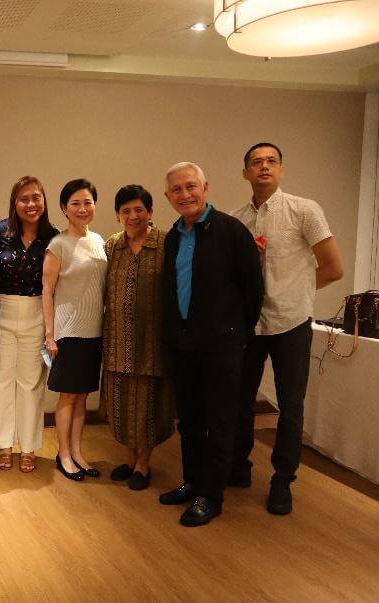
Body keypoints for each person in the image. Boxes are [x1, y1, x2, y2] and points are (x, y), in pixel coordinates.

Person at [230, 142, 343, 515]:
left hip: (291, 323)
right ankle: (239, 466)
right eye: (256, 162)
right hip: (249, 325)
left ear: (281, 169)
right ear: (245, 172)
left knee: (290, 406)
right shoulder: (236, 220)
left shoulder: (304, 210)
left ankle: (282, 481)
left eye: (272, 161)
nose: (264, 166)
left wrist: (296, 292)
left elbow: (332, 267)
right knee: (241, 401)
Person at [159, 162, 264, 527]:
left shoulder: (232, 232)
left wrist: (234, 331)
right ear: (168, 196)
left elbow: (253, 291)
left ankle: (212, 495)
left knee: (220, 421)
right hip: (183, 345)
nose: (185, 194)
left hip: (222, 346)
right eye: (177, 189)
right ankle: (193, 482)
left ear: (205, 187)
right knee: (189, 420)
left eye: (191, 186)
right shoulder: (172, 236)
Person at [101, 184, 174, 491]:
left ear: (150, 212)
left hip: (152, 342)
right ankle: (130, 460)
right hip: (117, 341)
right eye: (126, 211)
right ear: (118, 215)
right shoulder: (112, 246)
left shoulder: (167, 243)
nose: (133, 216)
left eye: (139, 210)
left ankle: (144, 464)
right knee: (120, 406)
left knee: (147, 406)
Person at [0, 176, 58, 473]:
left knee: (30, 383)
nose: (31, 204)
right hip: (2, 311)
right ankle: (3, 444)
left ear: (44, 200)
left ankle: (28, 446)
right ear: (15, 203)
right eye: (24, 198)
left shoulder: (54, 237)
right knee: (1, 381)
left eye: (36, 197)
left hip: (37, 312)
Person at [42, 179, 107, 482]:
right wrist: (50, 334)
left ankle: (78, 451)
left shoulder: (99, 241)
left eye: (88, 202)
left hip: (95, 331)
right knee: (68, 396)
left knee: (82, 396)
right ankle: (63, 454)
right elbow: (47, 290)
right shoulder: (58, 244)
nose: (83, 209)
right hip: (69, 331)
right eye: (75, 204)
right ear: (64, 209)